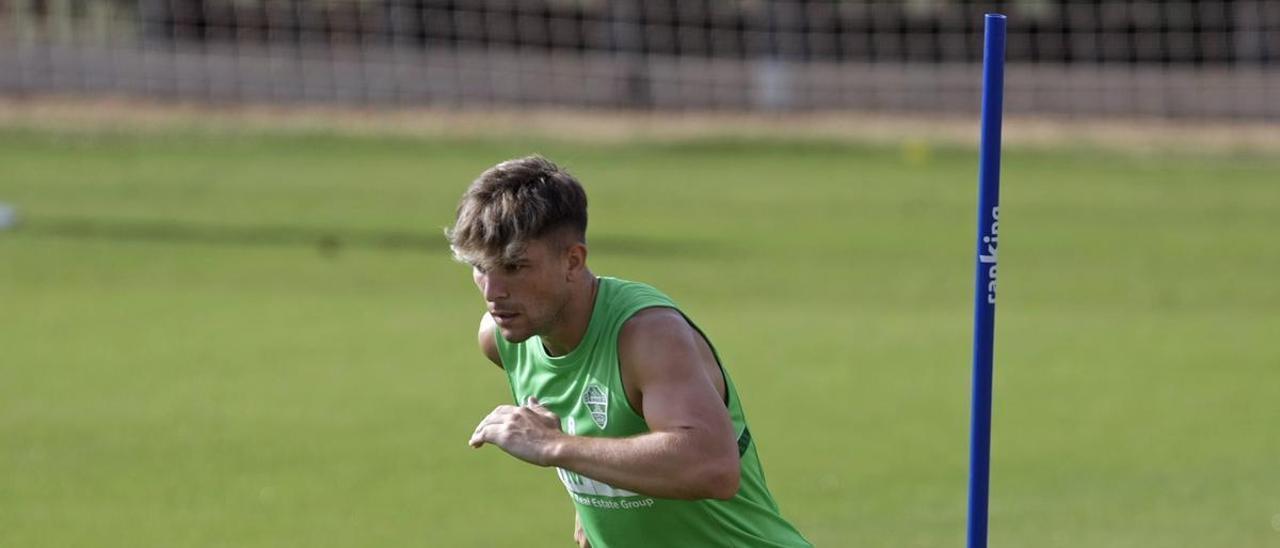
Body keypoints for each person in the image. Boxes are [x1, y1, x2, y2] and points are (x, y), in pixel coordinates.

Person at [449, 156, 811, 548]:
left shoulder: (647, 335)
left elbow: (713, 466)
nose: (492, 292)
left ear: (573, 261)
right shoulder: (503, 340)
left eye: (515, 268)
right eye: (480, 267)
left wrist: (556, 447)